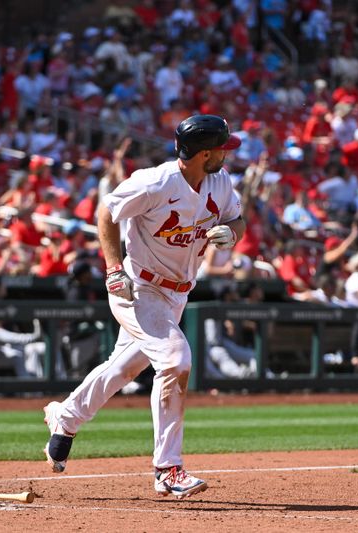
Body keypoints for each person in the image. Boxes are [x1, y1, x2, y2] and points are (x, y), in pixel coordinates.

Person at [42, 114, 245, 499]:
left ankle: (65, 416)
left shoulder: (220, 181)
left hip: (179, 292)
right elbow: (106, 212)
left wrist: (232, 233)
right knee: (175, 361)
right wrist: (113, 268)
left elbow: (238, 219)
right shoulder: (155, 182)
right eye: (222, 148)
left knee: (122, 368)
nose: (226, 154)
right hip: (140, 289)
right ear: (204, 153)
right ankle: (168, 469)